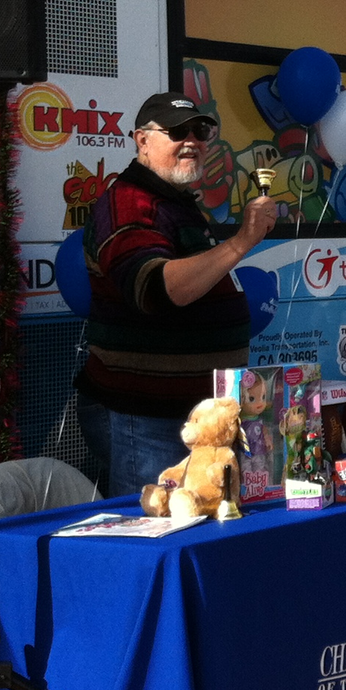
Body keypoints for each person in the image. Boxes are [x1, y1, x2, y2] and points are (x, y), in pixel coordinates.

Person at [75, 92, 279, 497]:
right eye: (177, 131)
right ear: (142, 140)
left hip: (188, 415)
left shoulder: (173, 201)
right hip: (147, 417)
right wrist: (241, 241)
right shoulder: (130, 202)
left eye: (200, 130)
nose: (193, 140)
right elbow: (157, 289)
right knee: (154, 526)